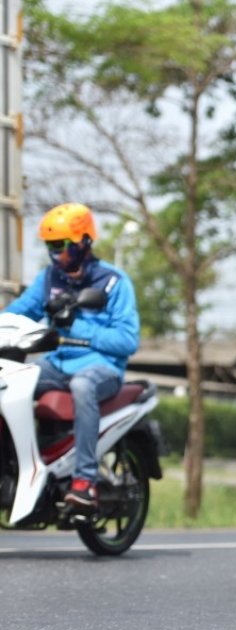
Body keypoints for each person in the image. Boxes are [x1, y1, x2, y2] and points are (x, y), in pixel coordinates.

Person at [4, 203, 140, 511]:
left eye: (62, 245)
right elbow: (20, 311)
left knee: (82, 386)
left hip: (100, 368)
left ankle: (84, 482)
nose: (56, 253)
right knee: (8, 382)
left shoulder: (114, 282)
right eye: (51, 245)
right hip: (57, 365)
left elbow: (128, 340)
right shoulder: (49, 278)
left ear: (84, 242)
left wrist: (77, 330)